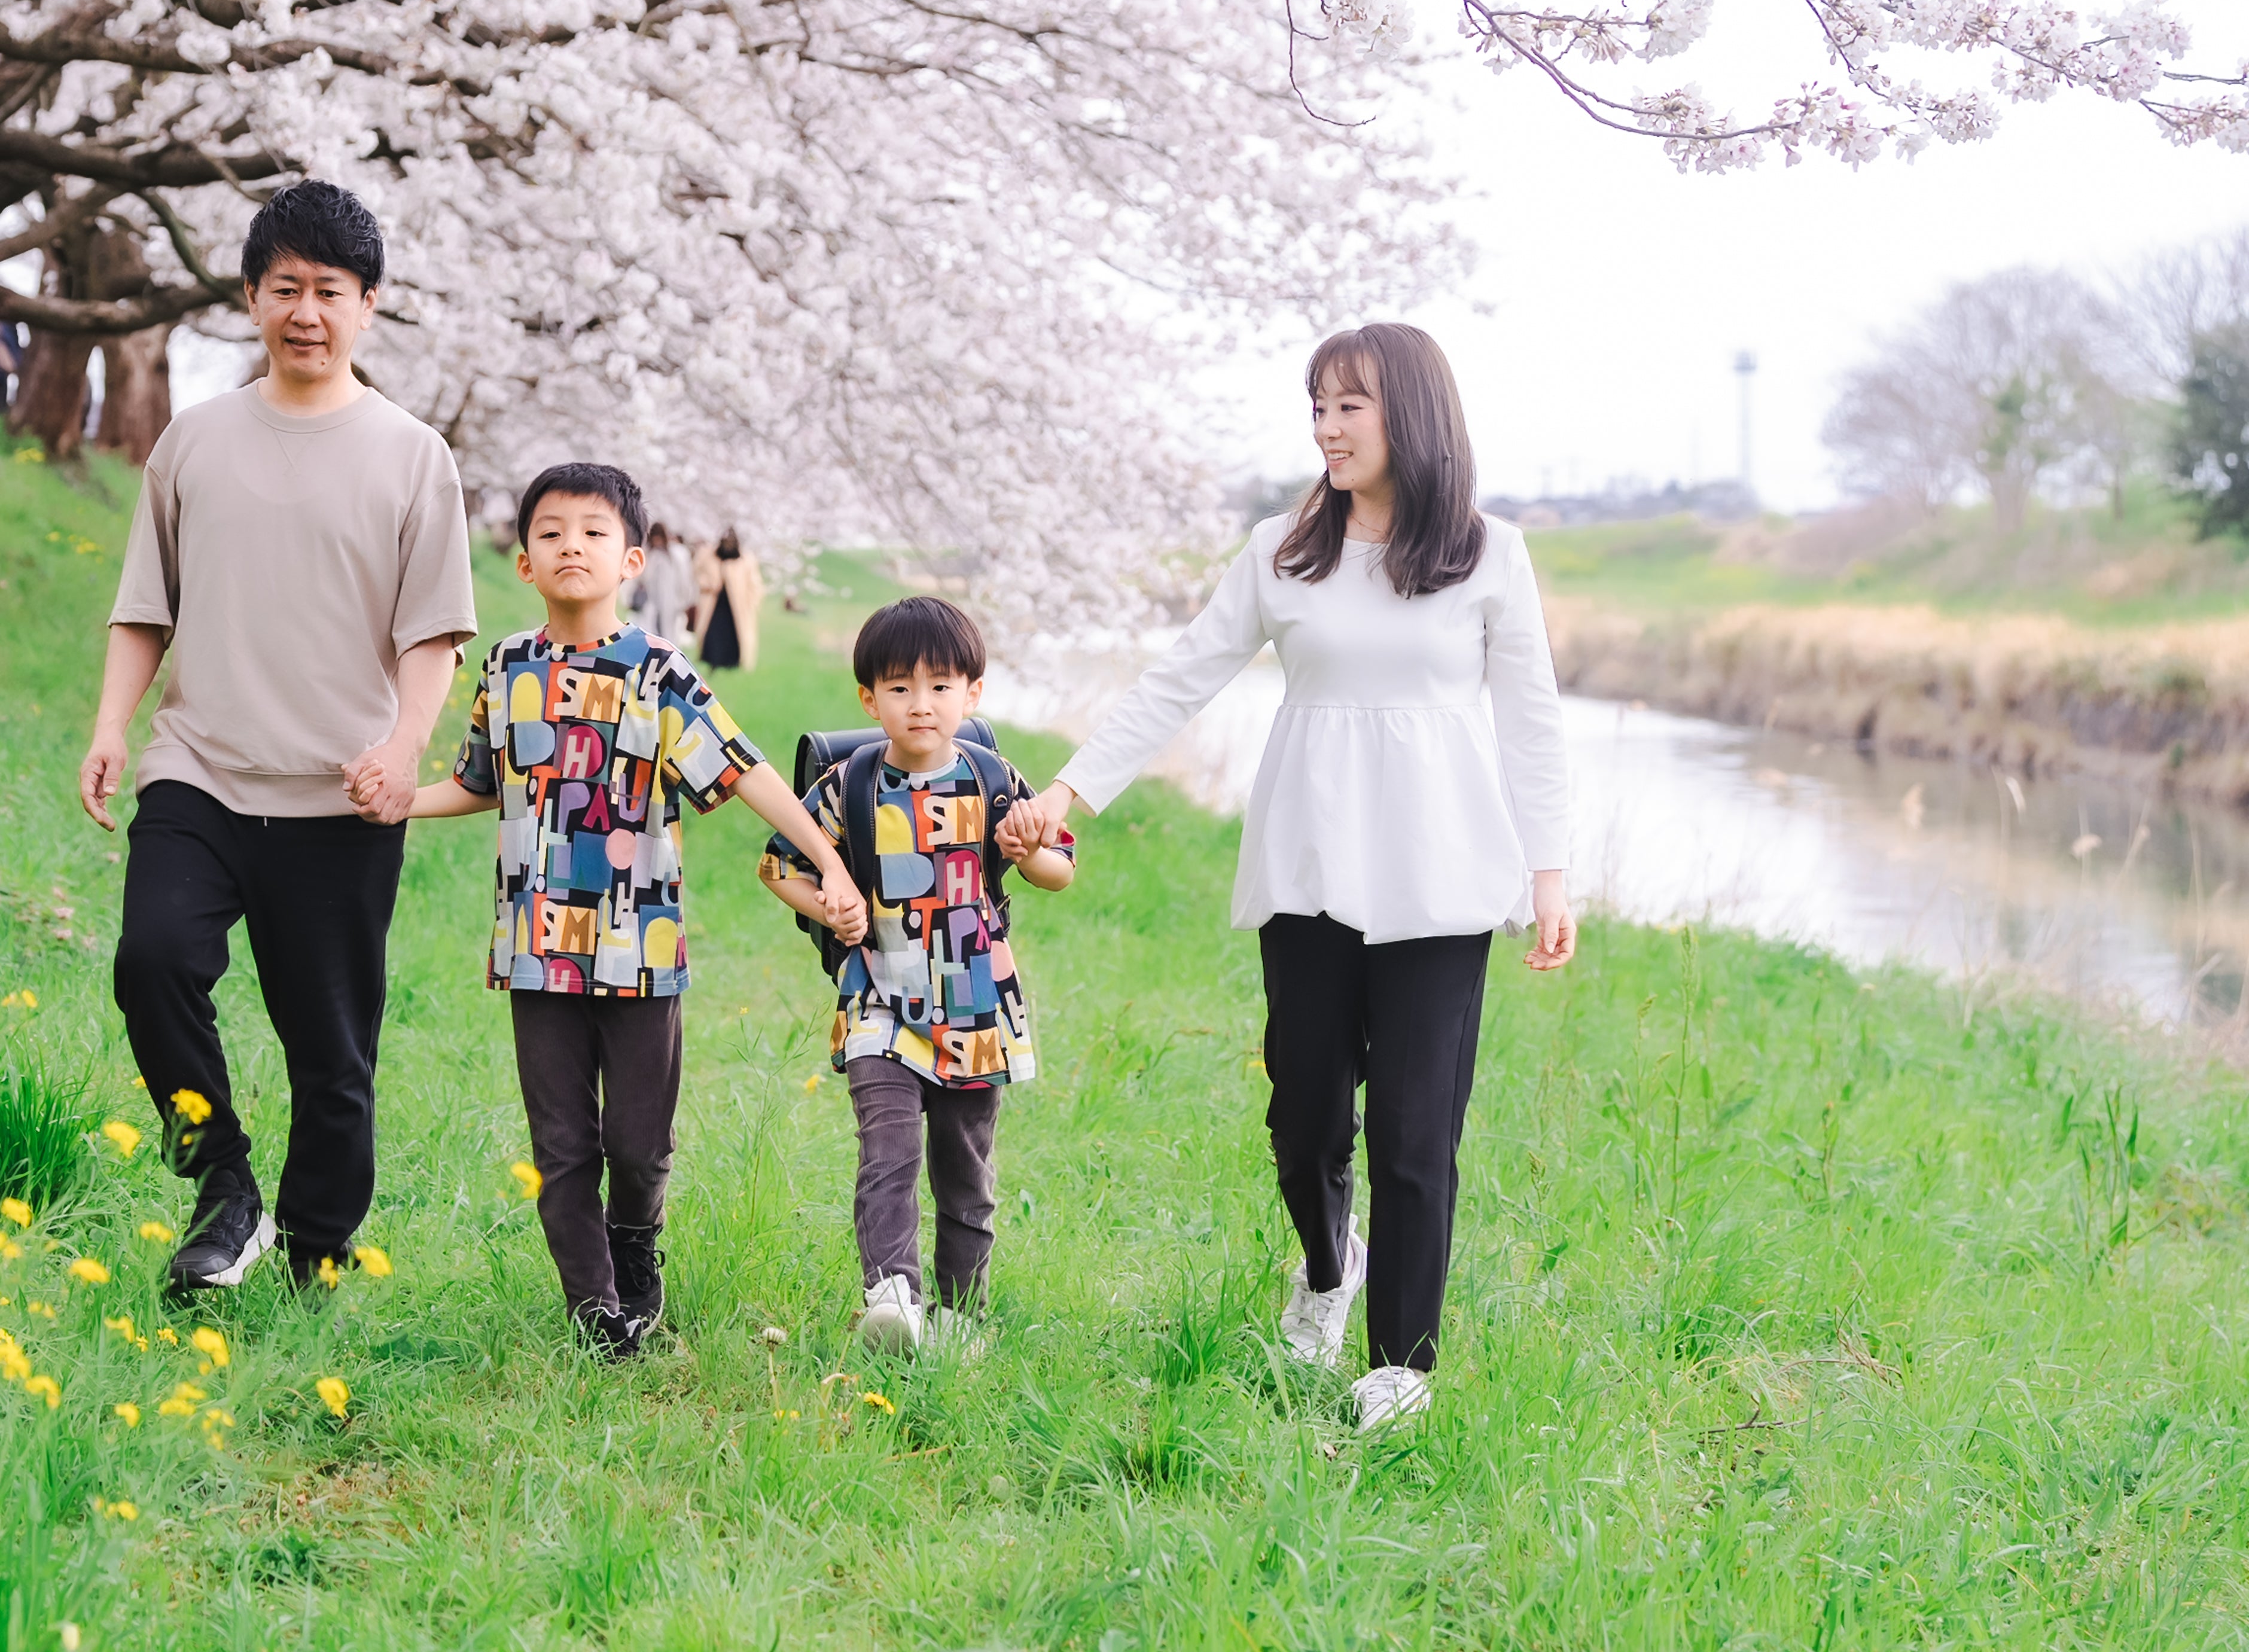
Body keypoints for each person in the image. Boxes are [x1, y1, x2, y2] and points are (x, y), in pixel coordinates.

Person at [1001, 322, 1574, 1432]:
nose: (1327, 426)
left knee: (1418, 1128)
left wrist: (1549, 874)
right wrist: (1071, 792)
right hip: (1309, 859)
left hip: (1442, 873)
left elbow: (1533, 721)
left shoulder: (1488, 553)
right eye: (1317, 405)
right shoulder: (1282, 549)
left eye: (1349, 404)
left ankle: (1402, 1364)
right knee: (1305, 1115)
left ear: (1411, 411)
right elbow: (1180, 680)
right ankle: (1326, 1268)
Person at [80, 181, 479, 1299]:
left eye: (332, 292)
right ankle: (222, 1188)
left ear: (370, 307)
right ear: (252, 298)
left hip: (340, 801)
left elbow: (432, 633)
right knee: (151, 963)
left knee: (331, 1055)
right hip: (198, 772)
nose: (308, 311)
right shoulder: (193, 441)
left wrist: (404, 747)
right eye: (287, 288)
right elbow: (144, 606)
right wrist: (114, 725)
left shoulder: (412, 456)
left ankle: (315, 1256)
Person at [395, 464, 864, 1356]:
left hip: (639, 944)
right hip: (536, 947)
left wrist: (828, 857)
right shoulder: (507, 666)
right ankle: (597, 1311)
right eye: (552, 532)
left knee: (638, 1144)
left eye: (594, 532)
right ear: (525, 562)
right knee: (562, 1142)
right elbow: (476, 785)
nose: (573, 545)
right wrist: (396, 801)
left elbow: (744, 768)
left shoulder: (657, 673)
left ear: (635, 559)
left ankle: (635, 1252)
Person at [763, 596, 1075, 1352]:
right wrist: (831, 900)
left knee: (966, 1171)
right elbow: (778, 866)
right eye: (899, 689)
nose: (921, 705)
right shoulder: (851, 782)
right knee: (890, 1151)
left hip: (975, 1005)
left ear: (973, 693)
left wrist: (1026, 845)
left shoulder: (995, 777)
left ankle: (962, 1314)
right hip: (879, 999)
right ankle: (894, 1298)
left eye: (941, 687)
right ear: (869, 700)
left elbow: (1059, 870)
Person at [696, 529, 763, 668]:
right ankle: (712, 660)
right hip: (714, 604)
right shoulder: (708, 556)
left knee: (733, 636)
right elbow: (697, 574)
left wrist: (750, 603)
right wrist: (708, 585)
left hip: (737, 607)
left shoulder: (746, 559)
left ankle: (732, 662)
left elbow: (755, 585)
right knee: (713, 635)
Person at [629, 521, 696, 645]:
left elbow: (684, 579)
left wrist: (684, 600)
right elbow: (640, 578)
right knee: (648, 633)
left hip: (671, 601)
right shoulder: (648, 554)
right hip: (650, 601)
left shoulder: (676, 554)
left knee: (669, 635)